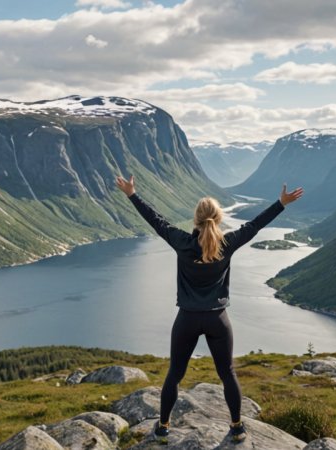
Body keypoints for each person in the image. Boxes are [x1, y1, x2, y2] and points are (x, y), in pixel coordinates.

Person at [114, 174, 303, 444]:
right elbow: (255, 226)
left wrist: (132, 194)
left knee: (175, 375)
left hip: (187, 320)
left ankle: (163, 428)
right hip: (218, 320)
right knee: (228, 374)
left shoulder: (182, 242)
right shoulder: (226, 244)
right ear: (218, 218)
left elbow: (156, 221)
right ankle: (237, 428)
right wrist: (281, 203)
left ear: (196, 219)